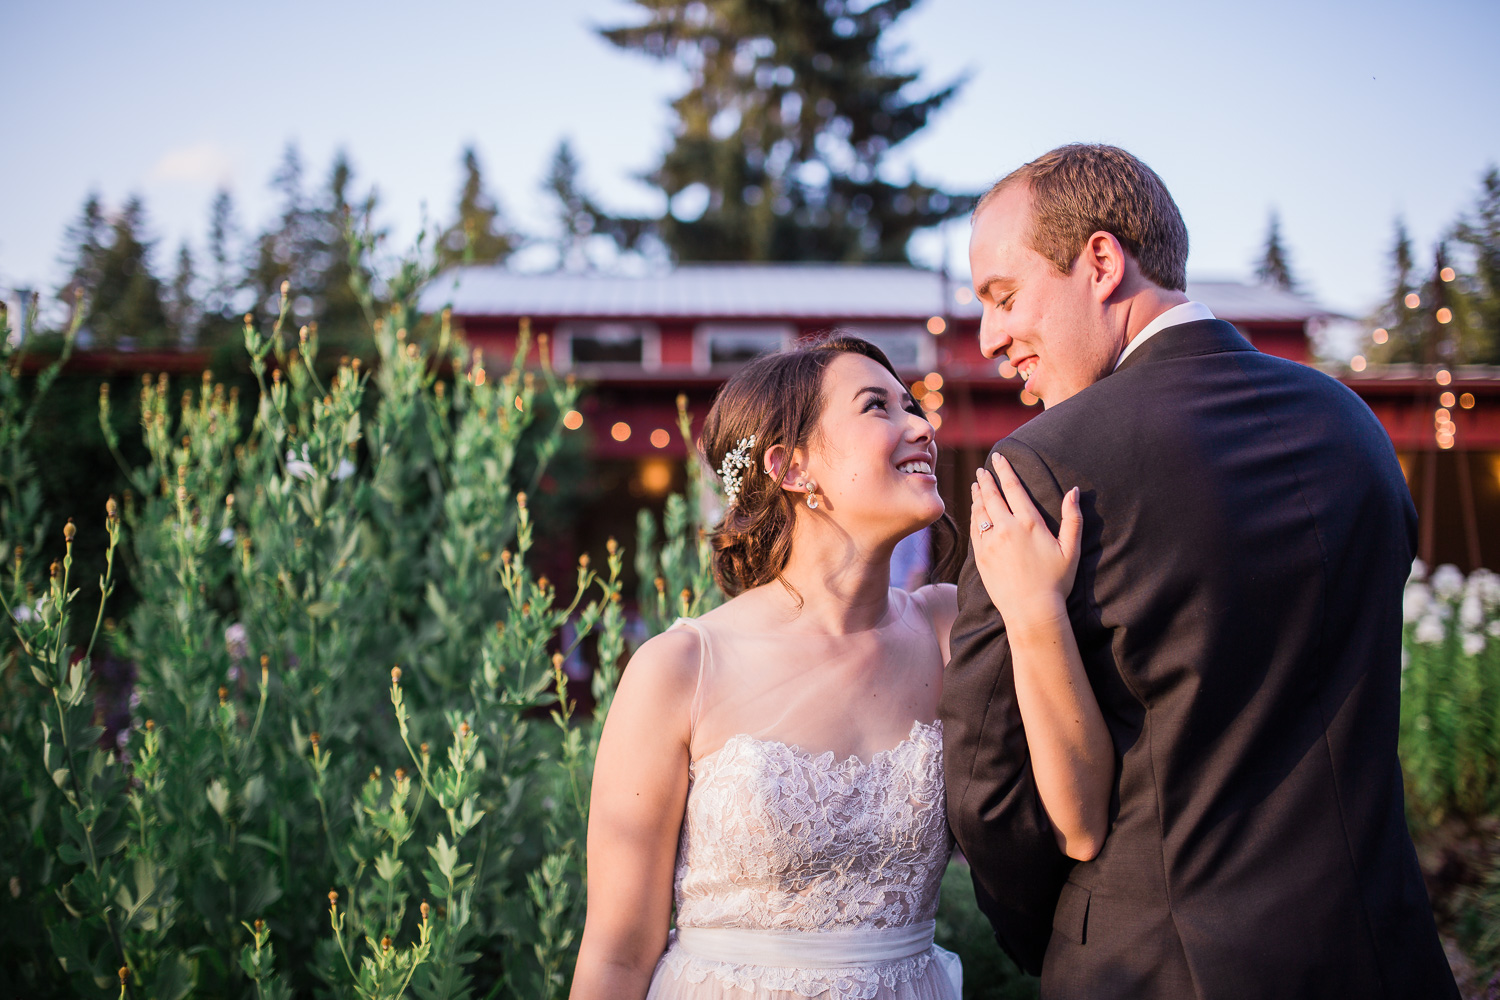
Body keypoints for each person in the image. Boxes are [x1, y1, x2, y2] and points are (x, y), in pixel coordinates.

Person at [941, 143, 1459, 998]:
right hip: (1381, 951)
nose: (991, 336)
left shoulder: (1042, 469)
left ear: (1101, 262)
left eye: (1004, 296)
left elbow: (990, 789)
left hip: (1157, 969)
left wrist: (1079, 927)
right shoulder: (1353, 428)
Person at [570, 334, 1114, 1000]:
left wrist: (1038, 613)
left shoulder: (952, 629)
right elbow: (617, 956)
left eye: (913, 406)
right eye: (878, 408)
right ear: (793, 468)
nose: (922, 426)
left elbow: (1079, 826)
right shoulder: (680, 668)